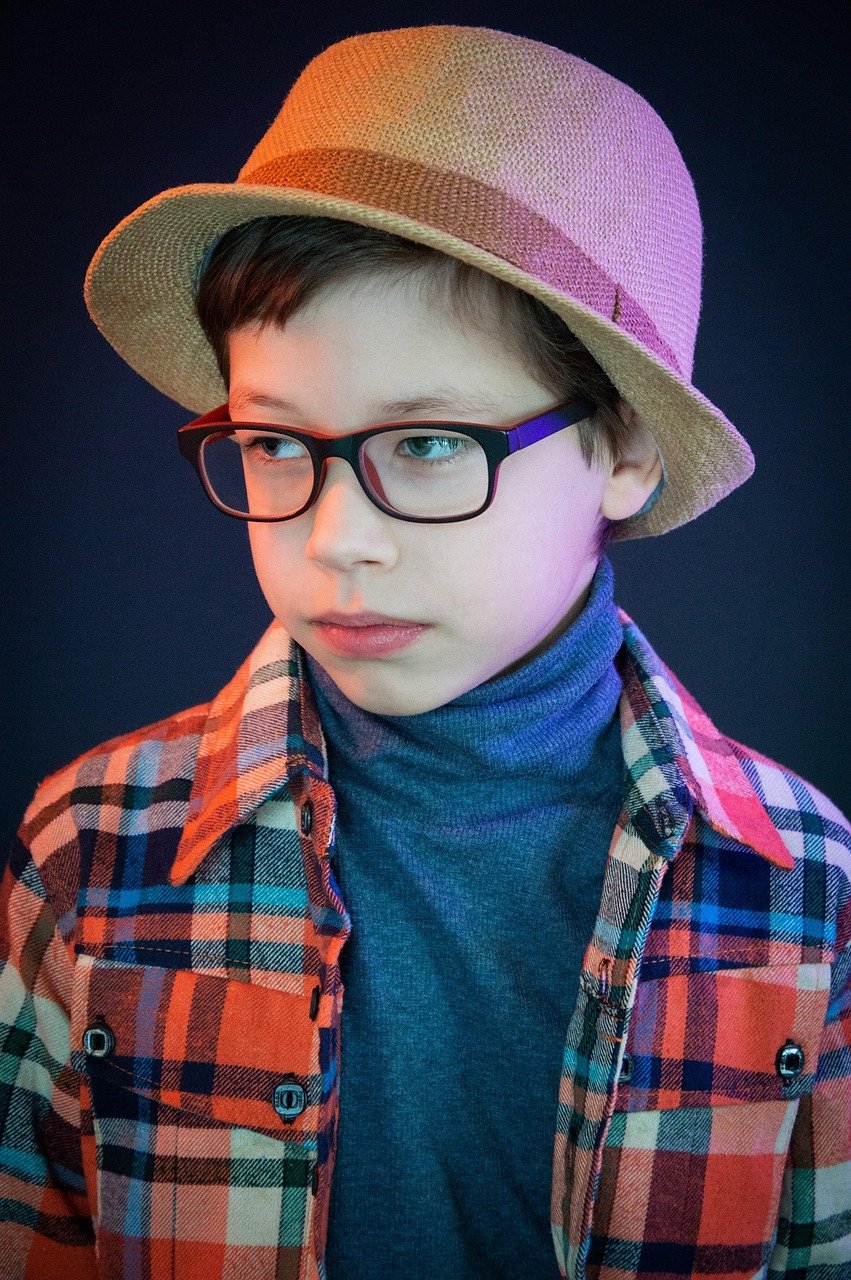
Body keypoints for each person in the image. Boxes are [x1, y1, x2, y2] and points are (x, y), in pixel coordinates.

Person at [1, 23, 848, 1280]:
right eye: (276, 442)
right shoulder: (93, 850)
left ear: (620, 445)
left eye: (433, 443)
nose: (338, 540)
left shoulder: (804, 893)